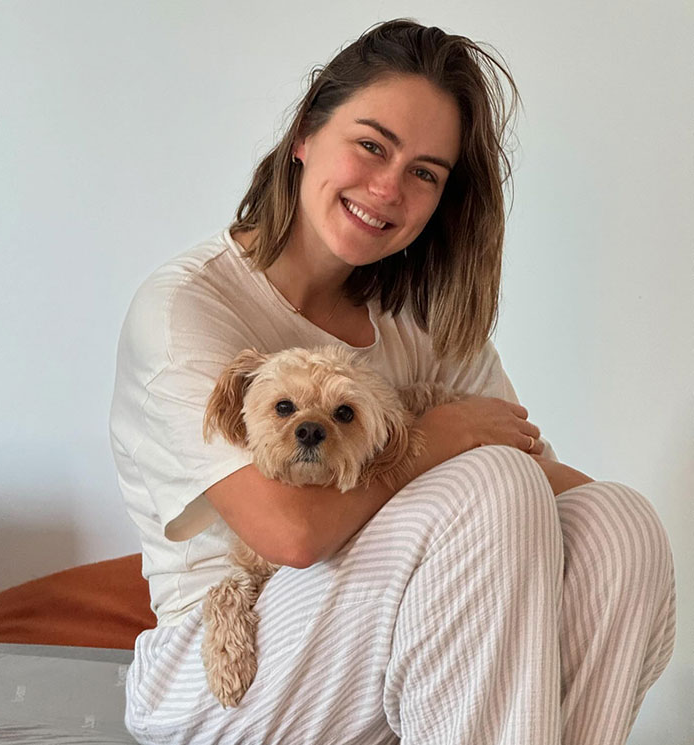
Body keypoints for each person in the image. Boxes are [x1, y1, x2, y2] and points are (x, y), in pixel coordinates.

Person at [110, 19, 676, 745]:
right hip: (220, 668)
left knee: (619, 524)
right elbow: (290, 533)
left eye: (425, 173)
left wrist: (611, 545)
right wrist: (440, 436)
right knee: (494, 483)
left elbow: (538, 485)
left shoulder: (418, 320)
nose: (388, 188)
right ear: (306, 133)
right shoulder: (188, 306)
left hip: (363, 637)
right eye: (373, 145)